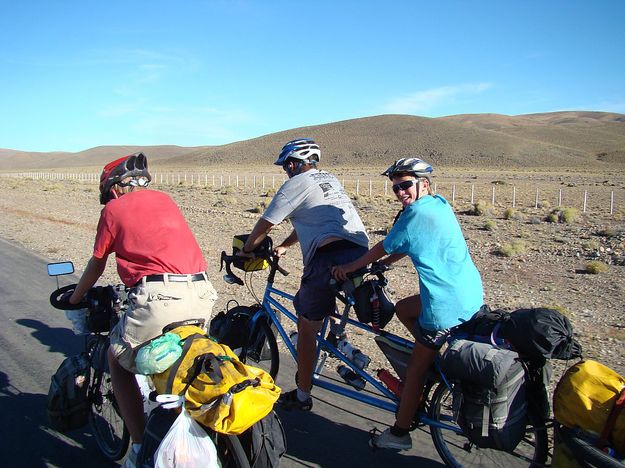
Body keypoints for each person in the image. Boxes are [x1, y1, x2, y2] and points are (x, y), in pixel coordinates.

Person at [67, 152, 218, 467]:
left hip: (158, 297)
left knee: (116, 358)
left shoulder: (113, 208)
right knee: (181, 358)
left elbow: (97, 263)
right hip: (202, 292)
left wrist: (75, 298)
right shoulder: (165, 200)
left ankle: (138, 446)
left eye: (109, 193)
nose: (110, 198)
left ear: (116, 188)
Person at [332, 157, 484, 450]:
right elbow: (408, 244)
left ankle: (400, 434)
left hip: (444, 306)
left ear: (423, 184)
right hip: (469, 295)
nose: (400, 192)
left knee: (414, 372)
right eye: (396, 188)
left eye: (405, 185)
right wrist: (385, 265)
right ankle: (434, 356)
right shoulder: (438, 204)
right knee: (403, 308)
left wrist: (351, 268)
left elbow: (381, 247)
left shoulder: (415, 214)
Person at [241, 138, 369, 410]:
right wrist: (286, 246)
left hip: (329, 257)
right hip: (358, 253)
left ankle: (302, 394)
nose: (286, 170)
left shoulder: (294, 184)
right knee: (320, 298)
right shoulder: (329, 179)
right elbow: (312, 220)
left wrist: (247, 249)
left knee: (306, 324)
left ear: (293, 163)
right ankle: (339, 338)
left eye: (287, 165)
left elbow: (266, 223)